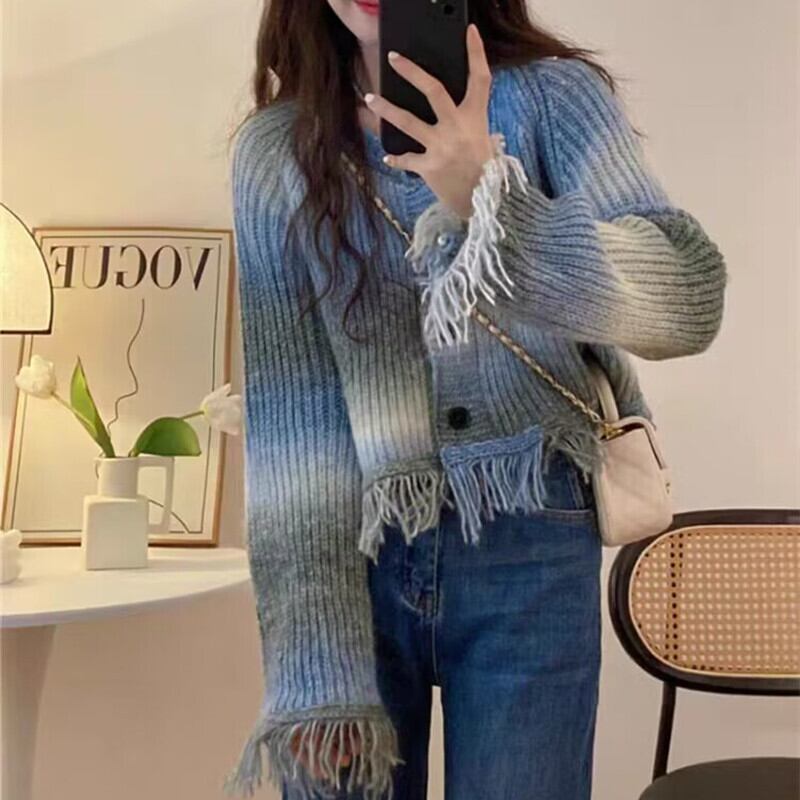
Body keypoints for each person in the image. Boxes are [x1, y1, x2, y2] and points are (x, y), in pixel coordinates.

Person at [224, 2, 728, 799]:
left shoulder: (554, 99)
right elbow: (294, 421)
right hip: (350, 560)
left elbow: (688, 297)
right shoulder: (276, 151)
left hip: (530, 540)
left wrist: (488, 201)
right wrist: (313, 669)